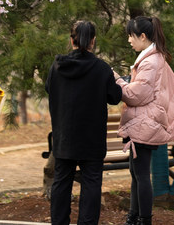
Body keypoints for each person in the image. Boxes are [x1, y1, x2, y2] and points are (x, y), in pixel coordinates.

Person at [45, 20, 123, 225]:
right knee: (91, 183)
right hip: (91, 138)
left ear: (72, 40)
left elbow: (49, 88)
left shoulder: (57, 66)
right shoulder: (102, 68)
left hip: (64, 135)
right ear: (93, 41)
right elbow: (115, 97)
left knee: (61, 182)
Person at [114, 16, 174, 225]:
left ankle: (143, 219)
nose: (129, 40)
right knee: (137, 174)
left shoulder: (150, 62)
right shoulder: (153, 58)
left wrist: (116, 79)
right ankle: (134, 217)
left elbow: (135, 95)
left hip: (144, 124)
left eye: (131, 36)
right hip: (144, 123)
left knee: (141, 175)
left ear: (142, 36)